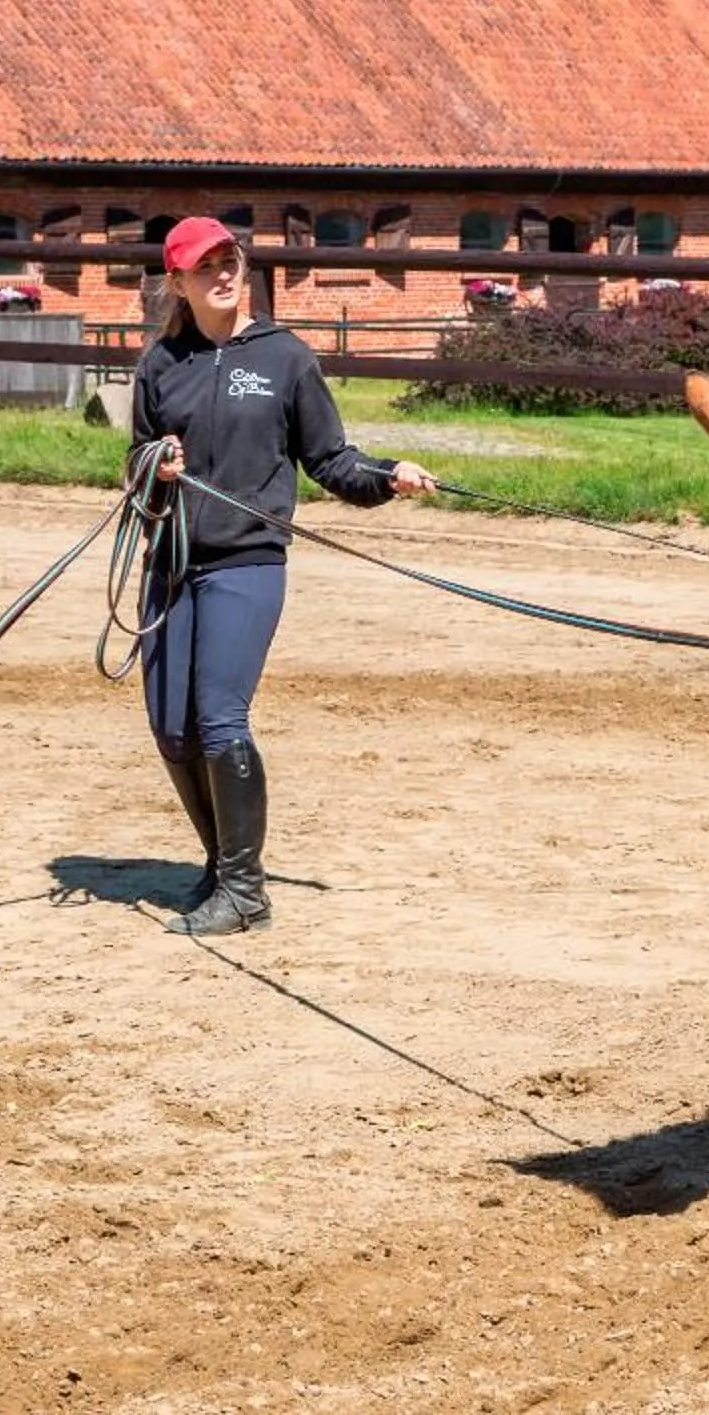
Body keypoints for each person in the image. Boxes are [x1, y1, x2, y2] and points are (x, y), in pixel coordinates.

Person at [130, 215, 436, 936]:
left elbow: (330, 458)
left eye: (230, 260)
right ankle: (220, 863)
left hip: (245, 562)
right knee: (172, 727)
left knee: (218, 717)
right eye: (206, 266)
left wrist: (387, 476)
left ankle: (244, 890)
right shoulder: (158, 365)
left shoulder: (285, 359)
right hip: (170, 560)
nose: (224, 274)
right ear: (178, 282)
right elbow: (137, 463)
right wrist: (154, 468)